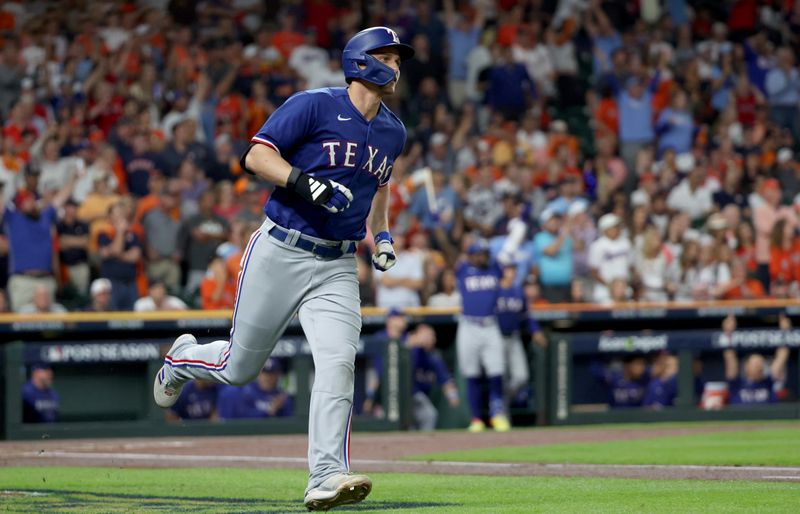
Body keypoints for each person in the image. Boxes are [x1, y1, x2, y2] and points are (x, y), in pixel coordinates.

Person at [153, 27, 413, 511]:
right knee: (239, 368)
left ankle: (325, 475)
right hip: (281, 248)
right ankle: (182, 360)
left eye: (398, 59)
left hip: (337, 263)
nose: (396, 66)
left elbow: (379, 190)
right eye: (387, 56)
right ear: (360, 61)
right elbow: (255, 156)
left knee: (338, 362)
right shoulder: (314, 104)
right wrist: (304, 182)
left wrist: (381, 237)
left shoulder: (393, 130)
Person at [455, 239, 511, 433]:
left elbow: (507, 259)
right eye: (479, 253)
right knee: (471, 374)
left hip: (490, 324)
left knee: (496, 372)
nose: (483, 256)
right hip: (468, 325)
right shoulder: (463, 269)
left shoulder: (494, 269)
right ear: (471, 255)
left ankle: (498, 415)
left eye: (485, 253)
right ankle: (476, 418)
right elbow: (450, 252)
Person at [496, 265, 546, 408]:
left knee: (521, 377)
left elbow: (526, 317)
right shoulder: (495, 291)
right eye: (509, 270)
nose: (512, 273)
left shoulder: (518, 292)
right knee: (501, 377)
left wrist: (535, 330)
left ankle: (501, 402)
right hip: (497, 338)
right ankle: (500, 412)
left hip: (514, 337)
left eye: (514, 270)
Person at [722, 314, 791, 405]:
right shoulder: (737, 383)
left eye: (761, 363)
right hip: (740, 418)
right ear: (746, 367)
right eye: (755, 364)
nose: (759, 366)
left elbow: (781, 357)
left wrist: (785, 332)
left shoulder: (768, 383)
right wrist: (728, 333)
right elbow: (730, 358)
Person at [588, 213, 632, 303]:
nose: (617, 229)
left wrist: (622, 285)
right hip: (604, 290)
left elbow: (631, 266)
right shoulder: (597, 246)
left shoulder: (626, 242)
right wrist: (610, 286)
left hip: (624, 289)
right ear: (605, 229)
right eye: (614, 226)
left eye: (617, 226)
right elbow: (594, 272)